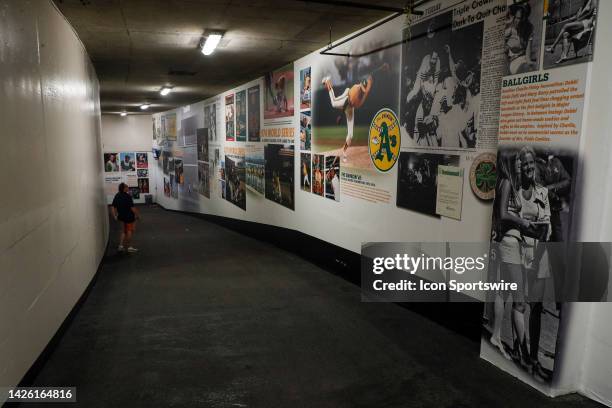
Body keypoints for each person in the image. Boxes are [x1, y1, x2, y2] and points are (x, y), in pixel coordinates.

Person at [322, 63, 388, 162]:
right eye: (362, 86)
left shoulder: (366, 88)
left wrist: (381, 68)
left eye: (364, 87)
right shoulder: (356, 93)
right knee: (334, 102)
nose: (363, 88)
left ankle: (344, 151)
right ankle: (327, 81)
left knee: (351, 135)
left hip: (351, 106)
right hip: (347, 98)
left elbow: (371, 74)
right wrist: (340, 116)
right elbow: (346, 104)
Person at [505, 3, 536, 75]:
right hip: (514, 61)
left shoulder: (529, 28)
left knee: (531, 68)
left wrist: (529, 63)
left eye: (521, 18)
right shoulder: (509, 29)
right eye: (517, 18)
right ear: (514, 16)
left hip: (524, 58)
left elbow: (528, 54)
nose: (518, 21)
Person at [111, 183, 140, 253]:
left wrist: (114, 216)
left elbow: (112, 207)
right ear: (124, 188)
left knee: (123, 231)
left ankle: (120, 246)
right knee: (129, 231)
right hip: (129, 217)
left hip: (121, 216)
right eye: (127, 187)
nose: (128, 188)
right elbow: (132, 208)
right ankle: (129, 247)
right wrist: (137, 215)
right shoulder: (128, 196)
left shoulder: (117, 195)